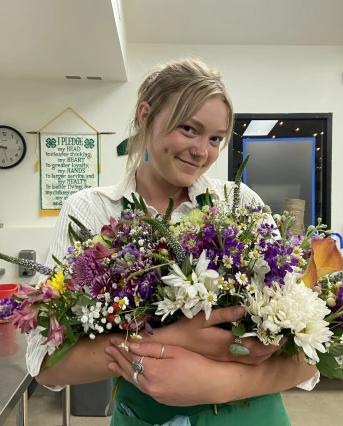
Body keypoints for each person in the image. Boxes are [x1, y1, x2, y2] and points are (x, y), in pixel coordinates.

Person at [27, 58, 319, 426]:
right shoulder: (91, 212)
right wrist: (177, 337)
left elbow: (308, 354)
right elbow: (47, 363)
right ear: (146, 115)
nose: (202, 151)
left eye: (215, 138)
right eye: (188, 129)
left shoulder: (241, 204)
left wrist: (218, 382)